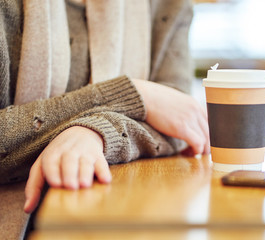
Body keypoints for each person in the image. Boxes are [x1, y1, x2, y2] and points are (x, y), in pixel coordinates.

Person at [0, 0, 210, 214]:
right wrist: (133, 94)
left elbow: (182, 122)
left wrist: (95, 132)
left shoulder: (168, 5)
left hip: (121, 210)